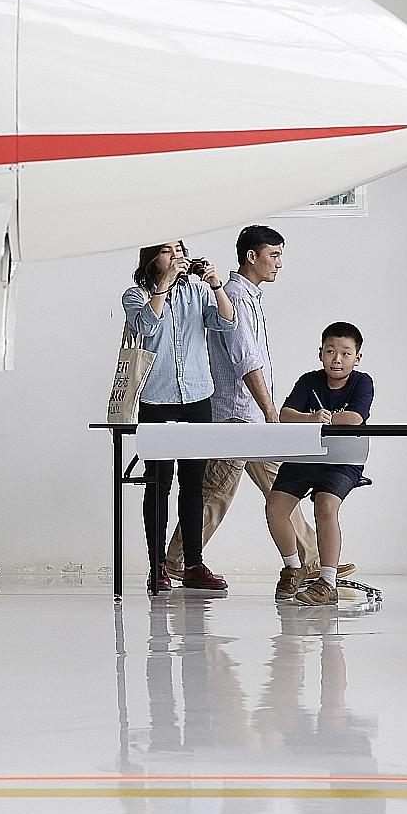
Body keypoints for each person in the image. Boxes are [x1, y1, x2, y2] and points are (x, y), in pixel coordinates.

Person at [163, 226, 346, 583]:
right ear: (252, 256)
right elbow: (245, 360)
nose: (279, 263)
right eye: (274, 255)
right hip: (237, 415)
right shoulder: (235, 296)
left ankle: (312, 561)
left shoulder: (249, 296)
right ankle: (176, 561)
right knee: (216, 492)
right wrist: (271, 412)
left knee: (285, 486)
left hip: (251, 416)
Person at [122, 241, 235, 593]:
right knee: (158, 483)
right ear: (151, 256)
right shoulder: (135, 295)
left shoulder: (197, 292)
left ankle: (193, 564)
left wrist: (215, 284)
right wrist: (163, 285)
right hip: (157, 399)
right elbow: (148, 327)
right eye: (167, 250)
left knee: (193, 484)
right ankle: (157, 566)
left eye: (179, 250)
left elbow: (227, 323)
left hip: (198, 396)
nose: (176, 257)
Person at [268, 322, 374, 605]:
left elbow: (355, 418)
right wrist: (310, 419)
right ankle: (293, 567)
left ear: (357, 357)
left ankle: (327, 582)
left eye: (345, 353)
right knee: (275, 507)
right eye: (330, 351)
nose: (337, 359)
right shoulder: (308, 381)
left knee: (325, 506)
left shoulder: (362, 382)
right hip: (305, 455)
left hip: (343, 459)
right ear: (320, 353)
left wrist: (321, 418)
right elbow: (286, 414)